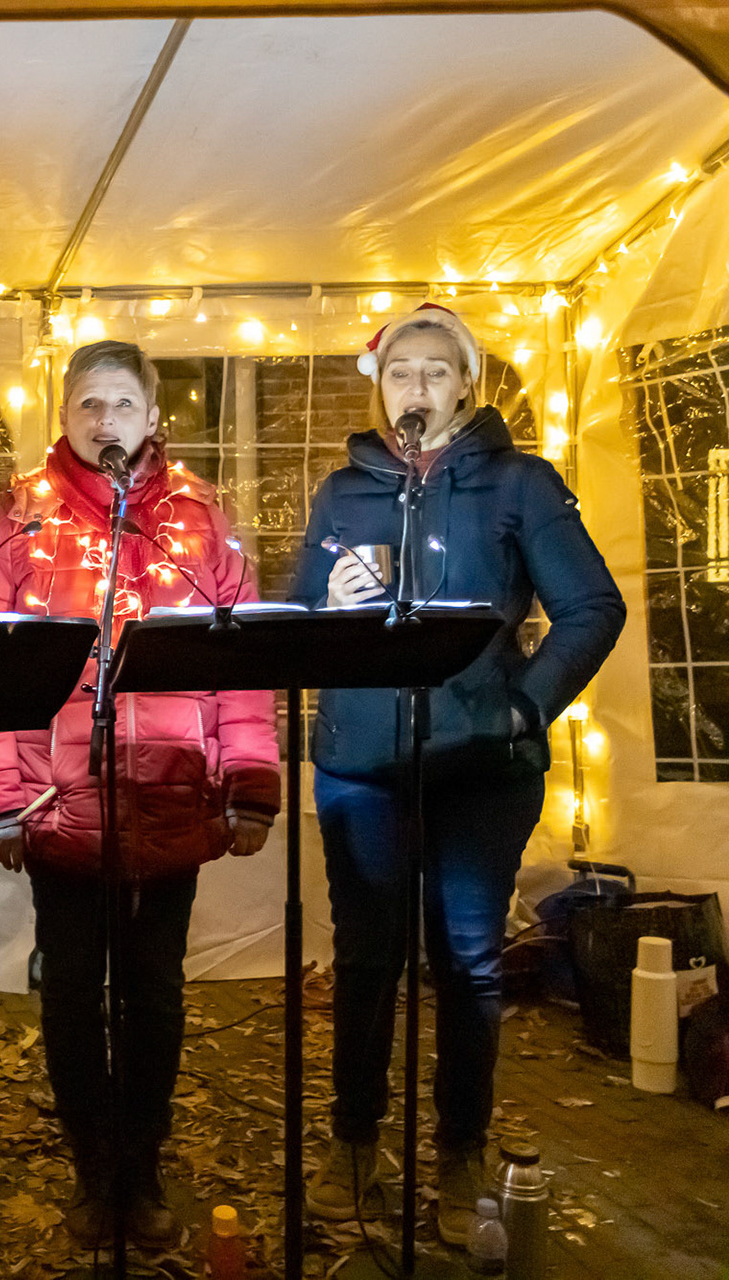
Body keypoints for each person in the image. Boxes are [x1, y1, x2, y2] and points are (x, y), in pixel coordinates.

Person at [290, 304, 624, 1245]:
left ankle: (458, 1148)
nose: (419, 389)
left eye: (438, 372)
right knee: (364, 960)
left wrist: (523, 705)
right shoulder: (344, 491)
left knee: (468, 966)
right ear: (379, 386)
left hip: (483, 769)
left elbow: (592, 608)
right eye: (403, 373)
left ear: (467, 385)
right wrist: (329, 602)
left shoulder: (520, 483)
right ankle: (355, 1141)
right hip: (361, 763)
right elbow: (301, 614)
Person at [0, 340, 279, 1245]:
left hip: (173, 799)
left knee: (156, 992)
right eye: (89, 405)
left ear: (151, 416)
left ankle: (142, 1169)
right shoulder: (18, 521)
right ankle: (93, 1171)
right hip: (60, 808)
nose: (106, 422)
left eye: (121, 404)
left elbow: (241, 668)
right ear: (64, 418)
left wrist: (248, 783)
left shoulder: (203, 520)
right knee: (70, 992)